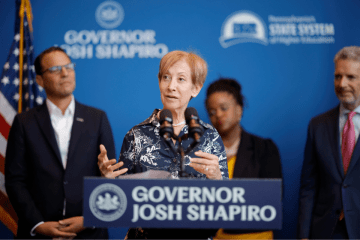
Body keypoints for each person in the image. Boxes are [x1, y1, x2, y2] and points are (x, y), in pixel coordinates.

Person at [98, 50, 229, 239]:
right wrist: (108, 183)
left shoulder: (210, 136)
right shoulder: (136, 135)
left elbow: (226, 206)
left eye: (181, 79)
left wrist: (217, 179)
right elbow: (118, 206)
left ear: (196, 88)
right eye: (166, 77)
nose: (171, 86)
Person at [5, 46, 116, 239]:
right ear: (39, 80)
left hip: (89, 232)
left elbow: (111, 176)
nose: (65, 73)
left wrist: (88, 218)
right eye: (55, 69)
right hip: (39, 232)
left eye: (69, 67)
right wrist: (38, 224)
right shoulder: (24, 122)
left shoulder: (97, 118)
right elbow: (15, 180)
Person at [205, 78, 282, 239]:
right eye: (212, 112)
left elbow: (270, 201)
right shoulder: (202, 153)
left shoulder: (264, 149)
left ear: (239, 110)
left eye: (224, 108)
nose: (218, 114)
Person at [297, 46, 360, 239]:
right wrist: (304, 235)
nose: (342, 84)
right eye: (337, 76)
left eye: (350, 77)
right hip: (327, 230)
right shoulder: (318, 125)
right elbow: (309, 186)